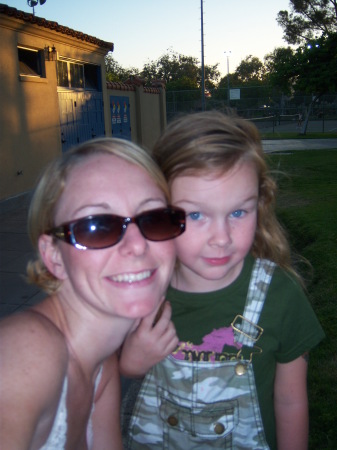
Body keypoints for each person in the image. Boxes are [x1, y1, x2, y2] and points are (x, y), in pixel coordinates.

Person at [120, 112, 325, 450]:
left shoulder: (280, 296)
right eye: (196, 215)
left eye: (238, 212)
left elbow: (290, 402)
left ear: (259, 204)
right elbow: (87, 384)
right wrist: (127, 365)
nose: (221, 237)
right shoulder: (140, 289)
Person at [0, 137, 185, 450]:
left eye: (153, 218)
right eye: (97, 227)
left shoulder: (102, 367)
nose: (138, 245)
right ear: (54, 255)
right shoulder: (25, 352)